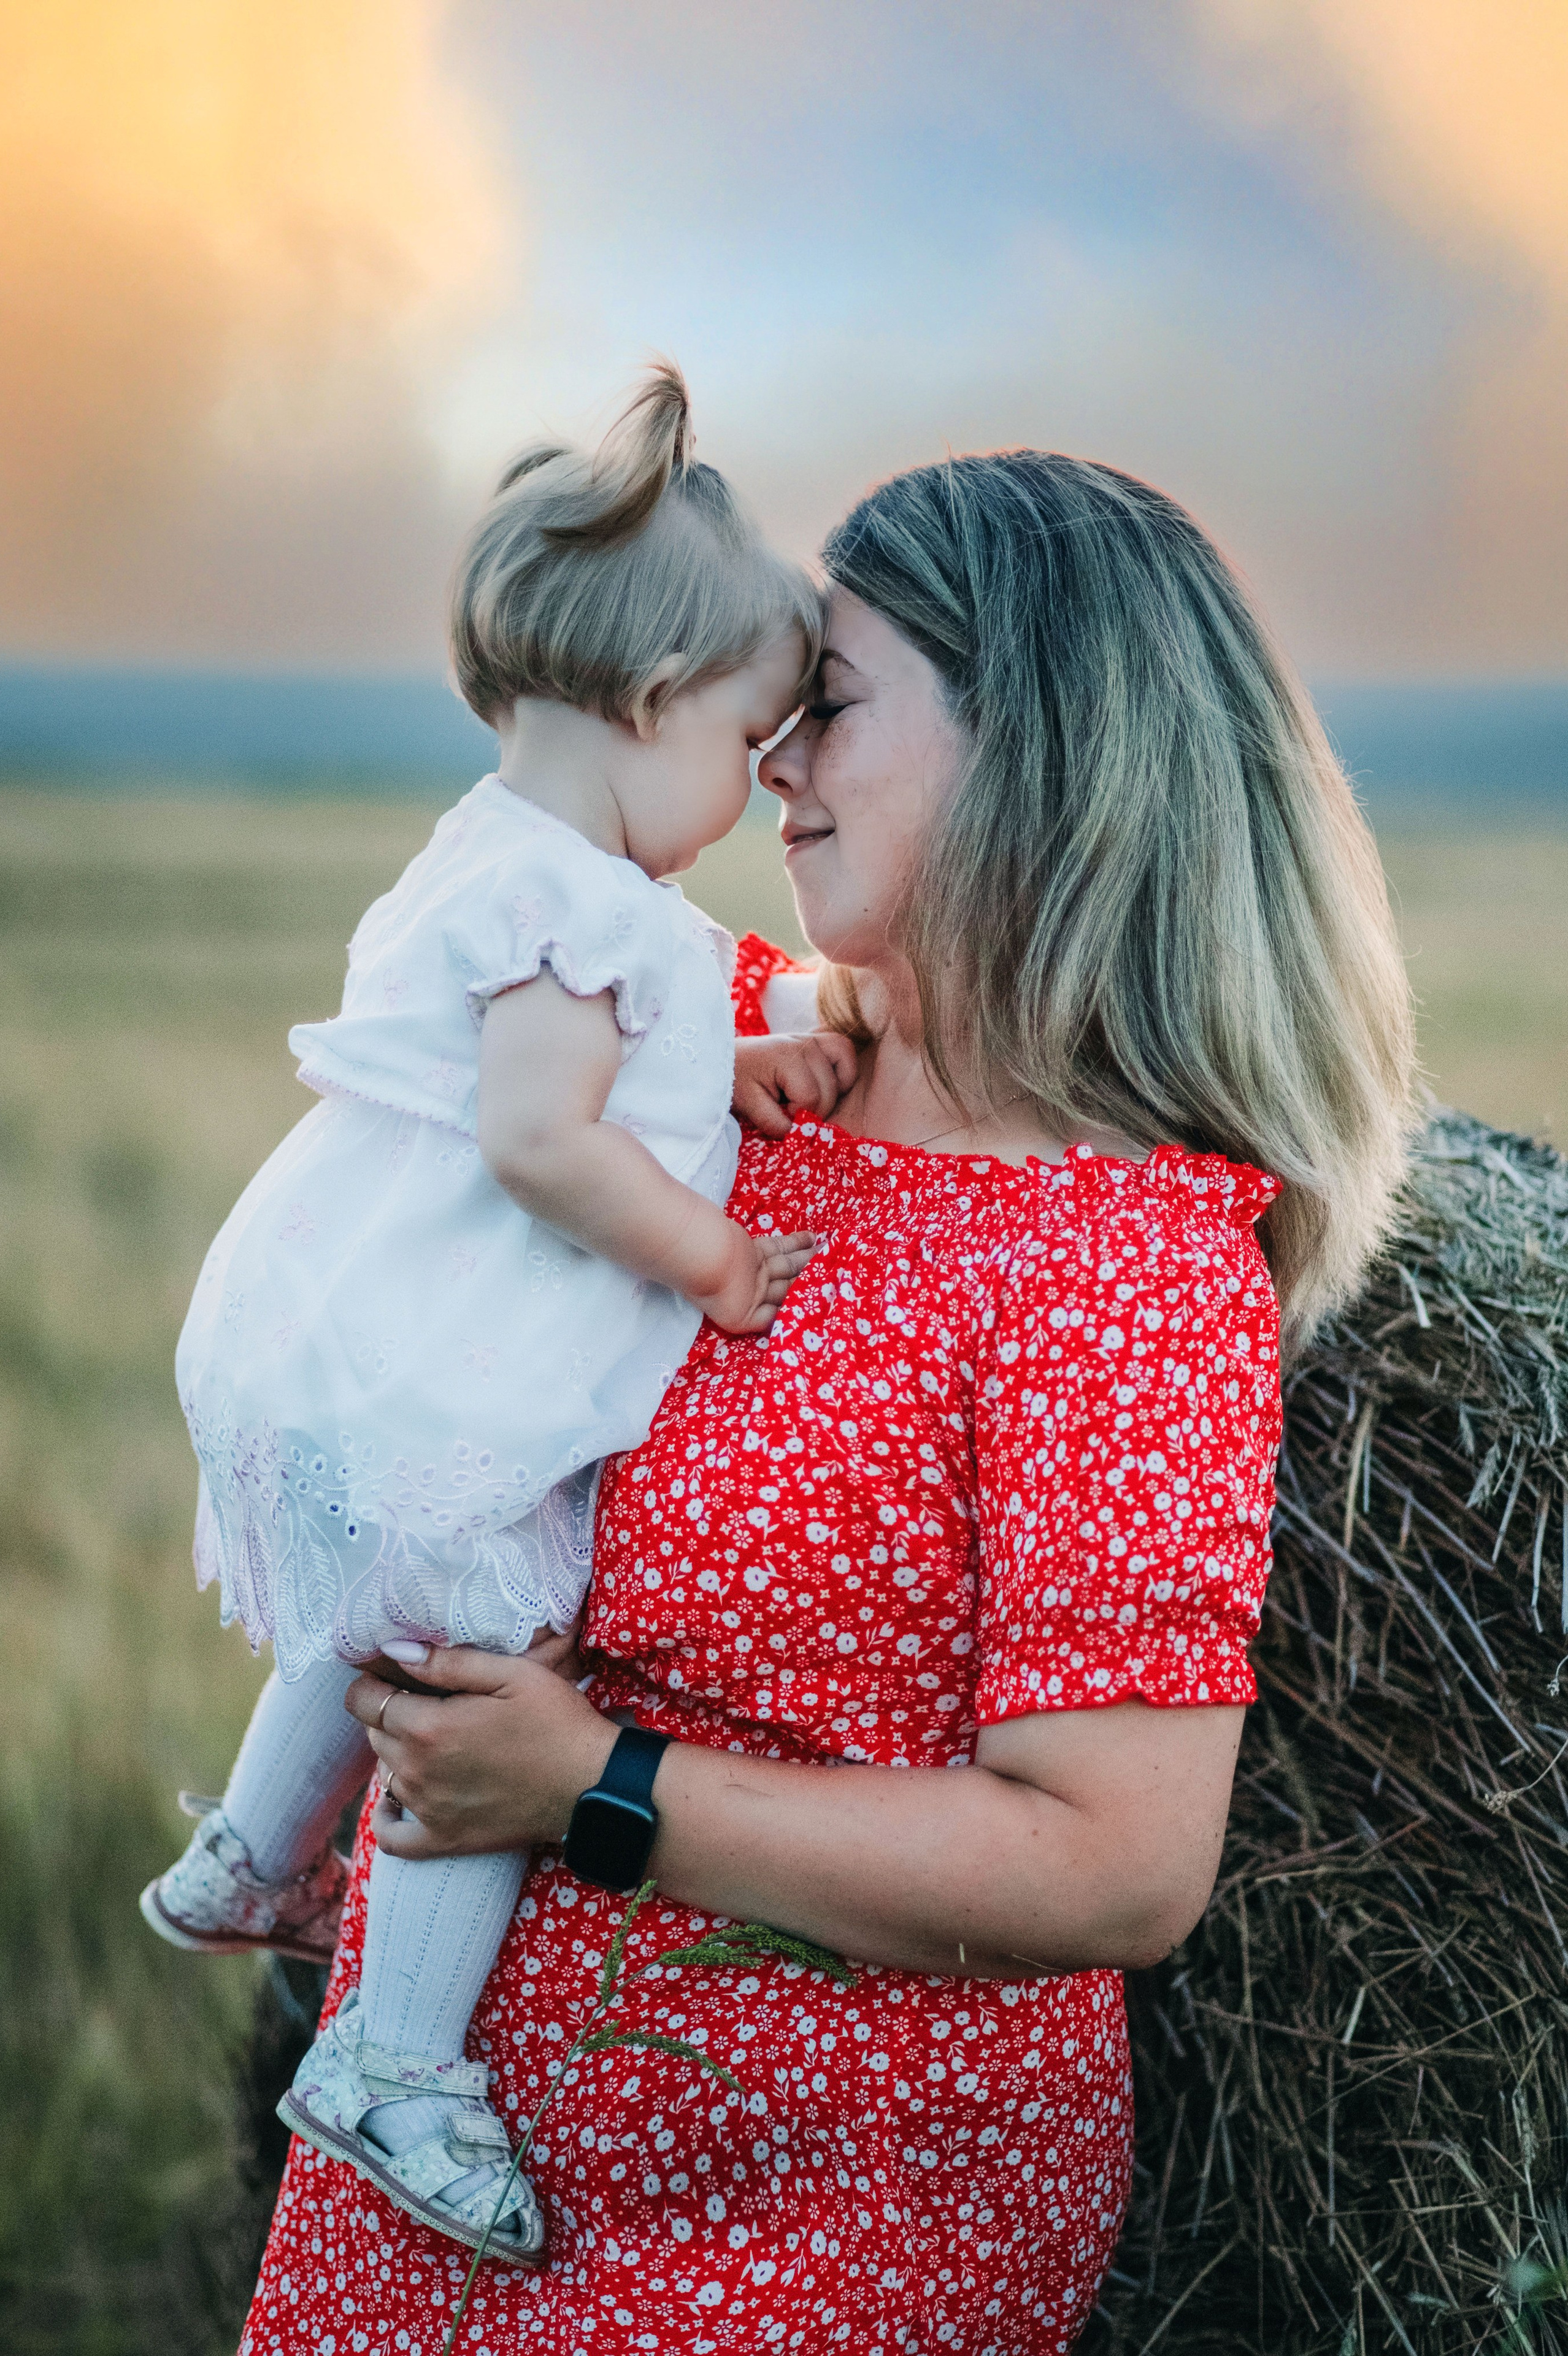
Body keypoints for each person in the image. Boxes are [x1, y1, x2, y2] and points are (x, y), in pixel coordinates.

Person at [240, 447, 1415, 2354]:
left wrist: (593, 1791)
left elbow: (1116, 1860)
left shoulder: (1122, 1261)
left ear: (1040, 742)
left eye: (834, 708)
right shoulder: (712, 1070)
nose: (772, 762)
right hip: (414, 2184)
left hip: (806, 2227)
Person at [140, 363, 853, 2261]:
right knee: (490, 1654)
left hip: (345, 1351)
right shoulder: (597, 910)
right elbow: (547, 1140)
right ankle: (392, 2058)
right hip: (439, 1364)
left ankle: (244, 1859)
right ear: (647, 707)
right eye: (747, 735)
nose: (756, 786)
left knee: (393, 1589)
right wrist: (712, 1266)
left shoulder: (498, 855)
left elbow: (625, 1064)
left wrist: (739, 1081)